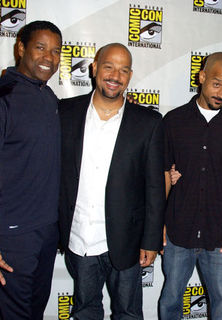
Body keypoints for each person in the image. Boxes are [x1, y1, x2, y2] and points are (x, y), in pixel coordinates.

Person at [58, 43, 165, 320]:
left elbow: (155, 187)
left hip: (127, 241)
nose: (115, 75)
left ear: (130, 76)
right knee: (85, 311)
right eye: (108, 66)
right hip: (79, 237)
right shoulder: (65, 112)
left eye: (124, 70)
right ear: (94, 68)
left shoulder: (149, 122)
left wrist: (151, 240)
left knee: (128, 313)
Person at [158, 52, 222, 319]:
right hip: (179, 232)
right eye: (217, 83)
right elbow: (163, 175)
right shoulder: (174, 121)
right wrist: (159, 222)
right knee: (170, 302)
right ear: (202, 77)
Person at [0, 21, 62, 319]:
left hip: (47, 232)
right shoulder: (4, 96)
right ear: (21, 48)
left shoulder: (49, 98)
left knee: (34, 311)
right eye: (40, 48)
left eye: (56, 51)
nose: (49, 58)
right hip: (12, 236)